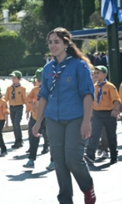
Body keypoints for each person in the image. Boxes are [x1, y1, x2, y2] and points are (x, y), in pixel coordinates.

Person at [32, 27, 96, 204]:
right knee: (59, 163)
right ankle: (65, 200)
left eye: (57, 42)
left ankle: (87, 187)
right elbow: (44, 95)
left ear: (66, 44)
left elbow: (87, 94)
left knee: (73, 160)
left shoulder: (79, 65)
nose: (53, 45)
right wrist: (38, 122)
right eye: (50, 42)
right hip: (53, 120)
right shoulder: (47, 69)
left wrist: (86, 121)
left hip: (75, 118)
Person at [84, 66, 119, 164]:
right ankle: (90, 155)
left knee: (111, 135)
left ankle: (113, 155)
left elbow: (116, 99)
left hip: (109, 113)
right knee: (94, 134)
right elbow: (91, 100)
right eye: (95, 73)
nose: (96, 75)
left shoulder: (110, 86)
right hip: (97, 114)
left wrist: (116, 109)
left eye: (98, 73)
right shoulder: (93, 86)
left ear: (104, 75)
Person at [24, 69, 53, 169]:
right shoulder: (35, 90)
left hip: (48, 117)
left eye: (41, 80)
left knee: (51, 139)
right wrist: (31, 104)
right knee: (33, 138)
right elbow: (28, 98)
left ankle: (53, 161)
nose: (40, 82)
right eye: (39, 80)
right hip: (36, 116)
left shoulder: (51, 89)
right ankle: (31, 160)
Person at [5, 70, 27, 149]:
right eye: (12, 78)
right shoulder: (9, 88)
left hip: (19, 107)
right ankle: (16, 140)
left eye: (15, 78)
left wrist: (28, 109)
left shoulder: (22, 89)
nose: (13, 79)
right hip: (12, 107)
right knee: (14, 124)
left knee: (17, 122)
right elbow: (6, 98)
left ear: (19, 79)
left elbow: (25, 99)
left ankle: (19, 140)